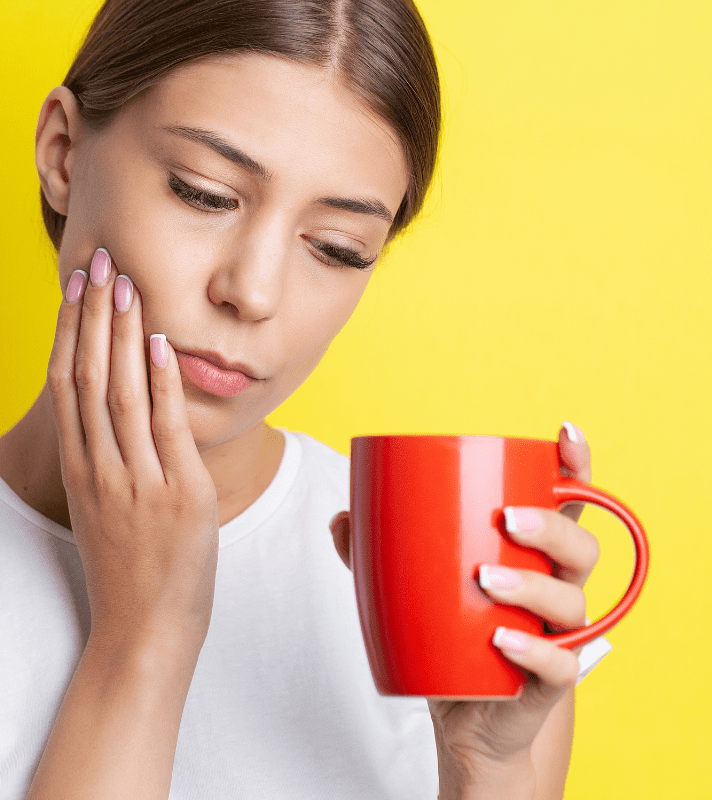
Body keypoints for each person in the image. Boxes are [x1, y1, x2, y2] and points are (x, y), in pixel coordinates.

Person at [0, 1, 610, 797]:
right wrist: (142, 639)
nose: (252, 291)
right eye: (204, 193)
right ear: (63, 152)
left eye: (336, 249)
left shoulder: (442, 591)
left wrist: (485, 769)